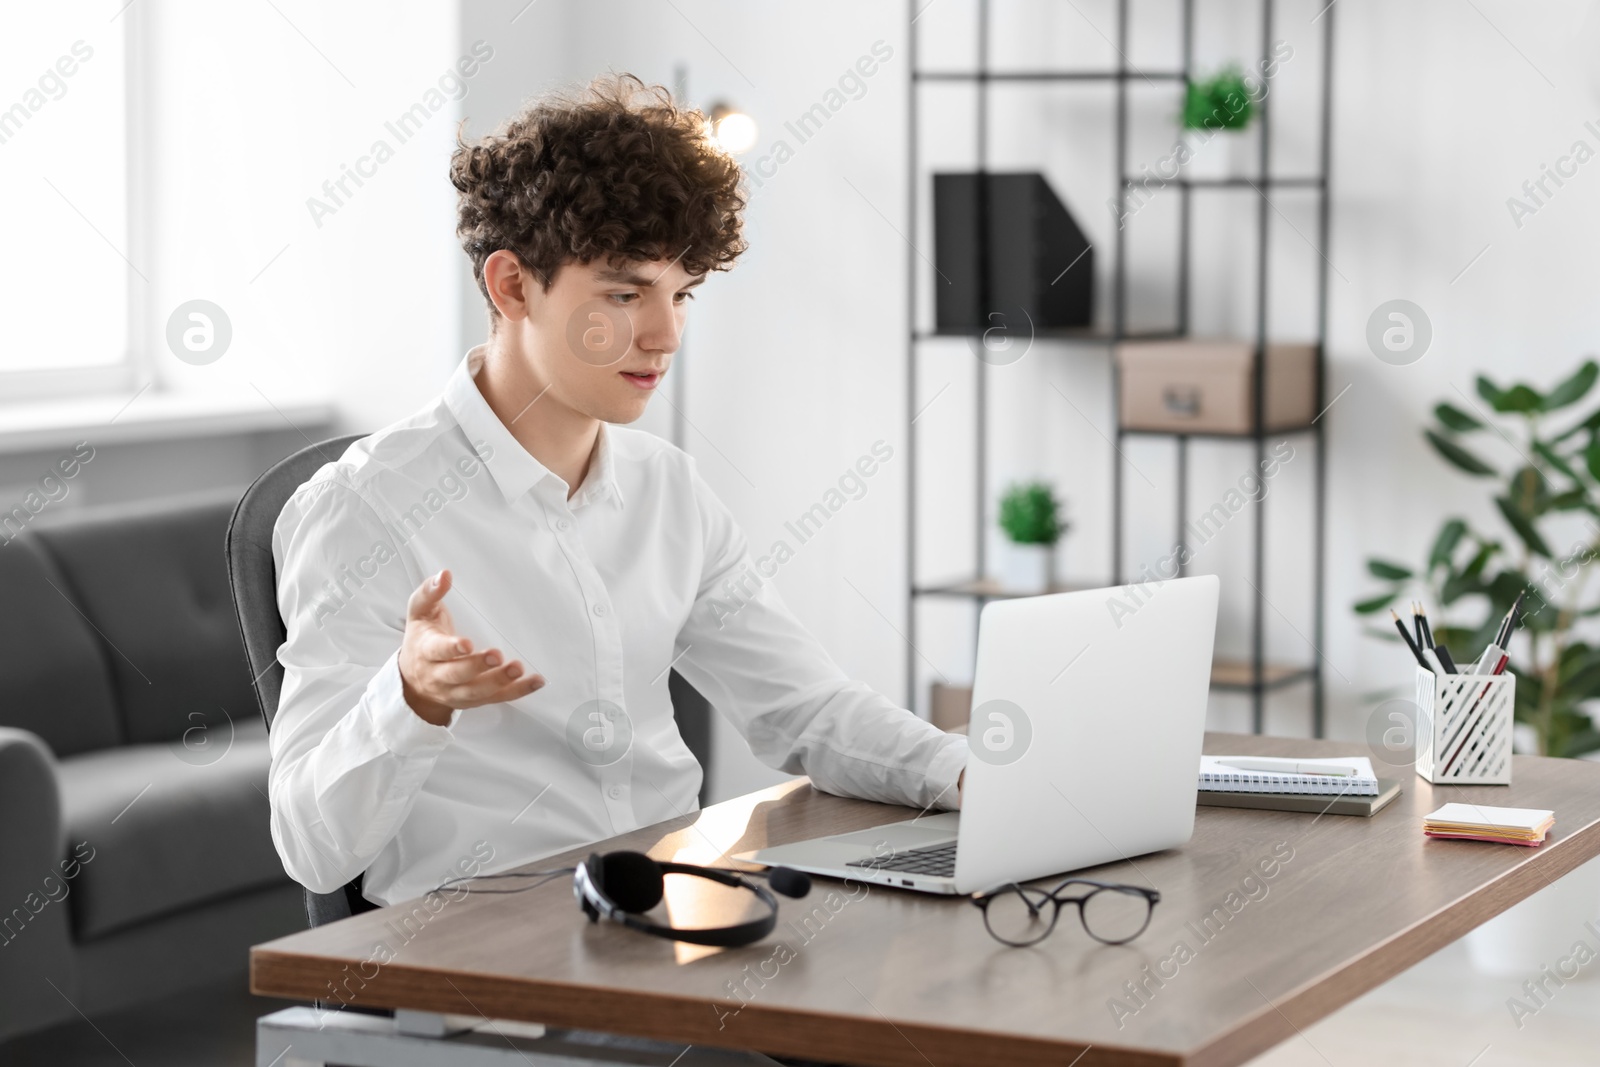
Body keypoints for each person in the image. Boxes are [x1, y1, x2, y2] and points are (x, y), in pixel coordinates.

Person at [267, 74, 967, 911]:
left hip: (671, 911)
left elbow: (804, 708)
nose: (666, 335)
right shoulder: (362, 508)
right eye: (626, 294)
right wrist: (409, 699)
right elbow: (309, 846)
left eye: (681, 296)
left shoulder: (667, 487)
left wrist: (970, 774)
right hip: (484, 954)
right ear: (512, 286)